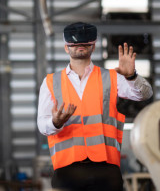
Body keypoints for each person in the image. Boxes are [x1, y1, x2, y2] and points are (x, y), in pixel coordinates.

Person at [37, 22, 153, 191]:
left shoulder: (113, 77)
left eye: (85, 44)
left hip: (106, 171)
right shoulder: (50, 82)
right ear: (66, 48)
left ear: (93, 46)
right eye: (76, 44)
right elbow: (42, 125)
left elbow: (145, 93)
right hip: (67, 171)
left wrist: (132, 76)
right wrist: (55, 122)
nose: (81, 47)